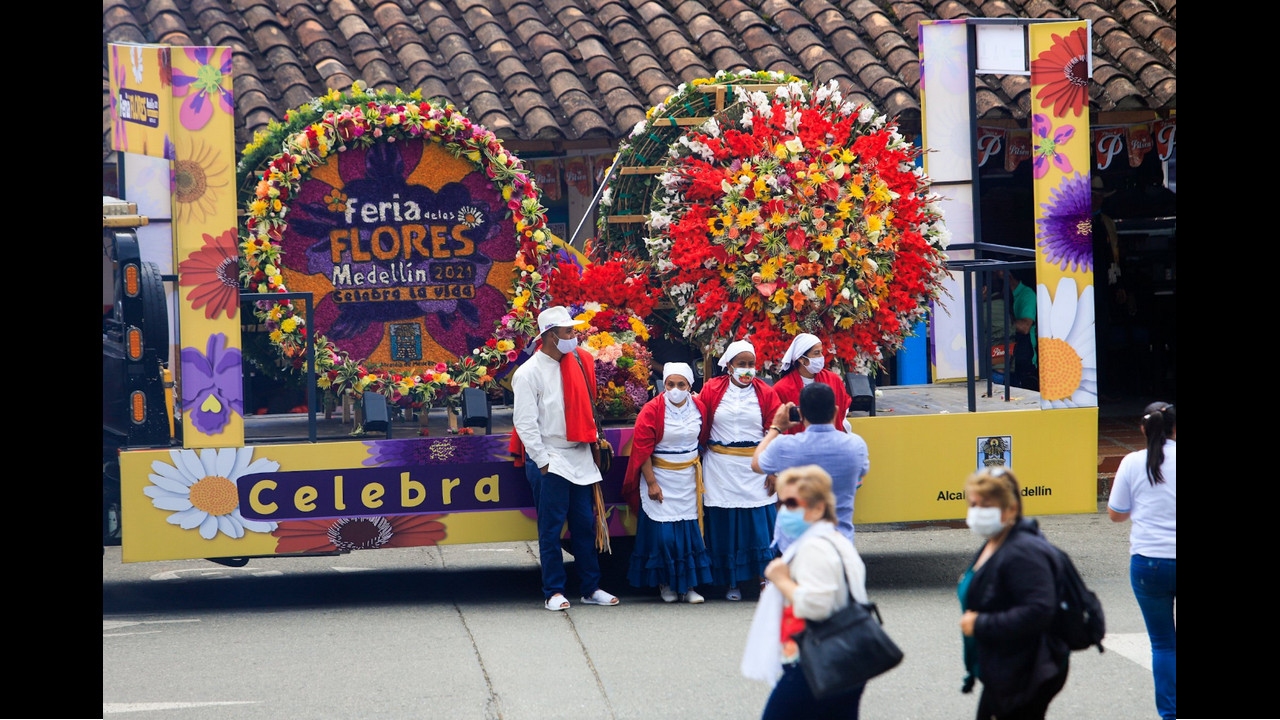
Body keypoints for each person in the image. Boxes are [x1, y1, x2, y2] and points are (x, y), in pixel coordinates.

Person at [511, 306, 620, 611]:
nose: (575, 336)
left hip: (579, 454)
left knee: (586, 526)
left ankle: (590, 587)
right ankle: (554, 591)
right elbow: (525, 423)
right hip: (550, 457)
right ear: (548, 336)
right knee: (551, 528)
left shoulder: (579, 364)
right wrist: (543, 461)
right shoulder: (528, 373)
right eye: (568, 332)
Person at [742, 465, 869, 719]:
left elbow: (816, 605)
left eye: (791, 504)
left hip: (815, 659)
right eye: (782, 503)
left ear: (818, 507)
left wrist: (781, 580)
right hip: (848, 658)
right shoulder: (836, 541)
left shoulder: (815, 549)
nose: (784, 512)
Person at [958, 466, 1068, 720]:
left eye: (986, 506)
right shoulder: (997, 540)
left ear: (1011, 509)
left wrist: (980, 623)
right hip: (1004, 664)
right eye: (973, 504)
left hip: (1025, 668)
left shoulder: (1023, 550)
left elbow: (1040, 609)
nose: (977, 512)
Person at [622, 362, 714, 603]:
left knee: (690, 532)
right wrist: (652, 483)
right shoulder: (652, 410)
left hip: (688, 479)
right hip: (661, 477)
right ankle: (666, 584)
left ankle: (689, 586)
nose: (675, 389)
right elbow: (642, 451)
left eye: (680, 384)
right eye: (670, 384)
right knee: (664, 536)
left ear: (690, 386)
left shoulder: (699, 407)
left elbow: (702, 438)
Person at [698, 339, 782, 601]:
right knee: (725, 525)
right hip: (720, 467)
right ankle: (730, 582)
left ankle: (765, 579)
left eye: (751, 365)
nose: (747, 369)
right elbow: (699, 420)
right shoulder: (712, 389)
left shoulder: (766, 392)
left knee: (759, 525)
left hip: (755, 467)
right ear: (730, 366)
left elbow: (775, 431)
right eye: (741, 364)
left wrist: (773, 470)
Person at [1107, 402, 1175, 720]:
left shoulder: (1132, 463)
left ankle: (1170, 714)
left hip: (1150, 564)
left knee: (1163, 644)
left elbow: (1116, 515)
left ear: (1143, 429)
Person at [753, 382, 869, 552]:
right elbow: (862, 471)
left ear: (800, 414)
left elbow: (756, 464)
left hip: (798, 546)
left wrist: (775, 428)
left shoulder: (784, 446)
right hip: (840, 543)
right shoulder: (855, 445)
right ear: (836, 411)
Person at [771, 333, 852, 434]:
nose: (821, 357)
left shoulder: (833, 380)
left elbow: (842, 413)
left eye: (822, 352)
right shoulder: (782, 388)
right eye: (816, 353)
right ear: (801, 359)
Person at [1004, 270, 1038, 392]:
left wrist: (997, 321)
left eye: (995, 274)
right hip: (1004, 357)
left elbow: (1025, 327)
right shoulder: (1002, 293)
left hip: (1022, 358)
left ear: (1007, 275)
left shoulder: (1027, 294)